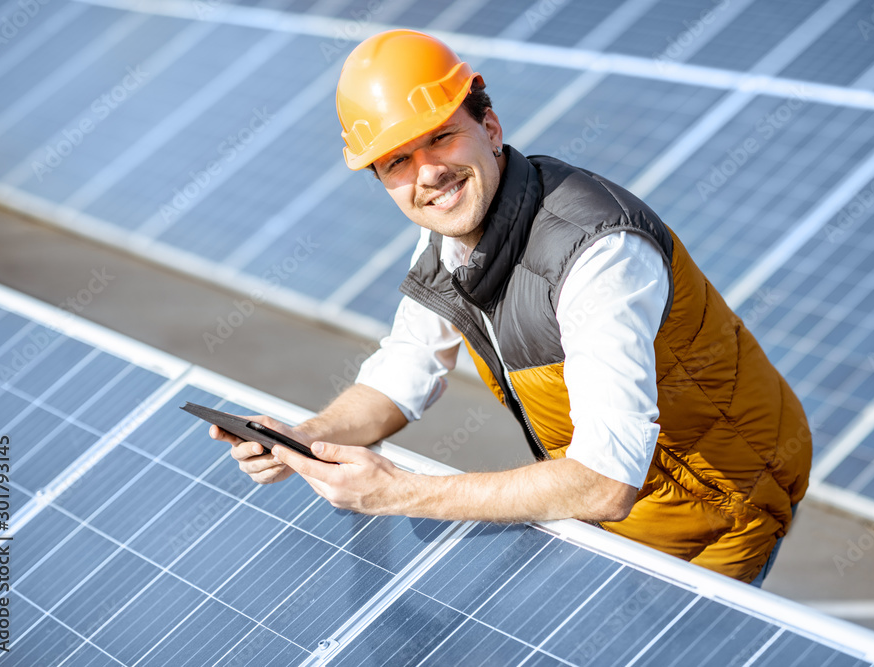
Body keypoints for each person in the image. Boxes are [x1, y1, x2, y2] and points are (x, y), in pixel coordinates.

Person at [211, 29, 812, 585]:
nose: (429, 173)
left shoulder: (599, 253)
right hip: (625, 519)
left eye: (441, 136)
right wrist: (305, 436)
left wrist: (397, 492)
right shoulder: (449, 236)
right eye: (397, 160)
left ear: (491, 127)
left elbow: (604, 482)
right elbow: (407, 368)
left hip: (721, 519)